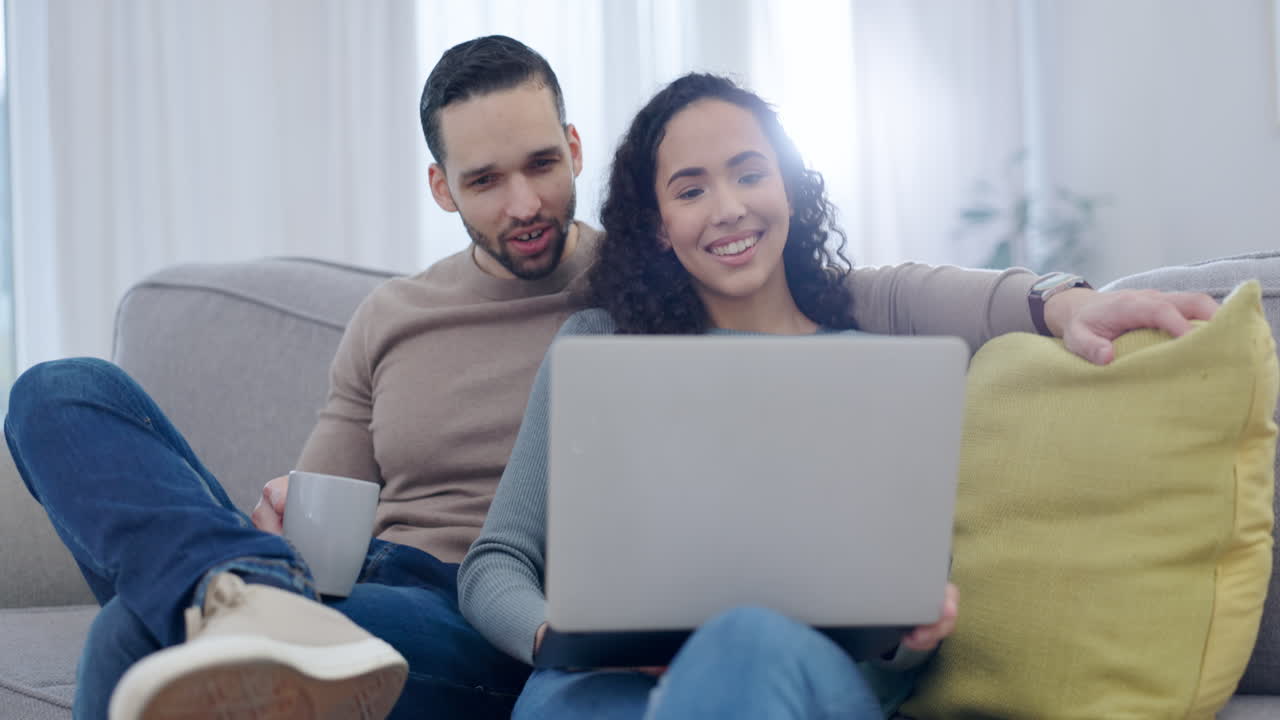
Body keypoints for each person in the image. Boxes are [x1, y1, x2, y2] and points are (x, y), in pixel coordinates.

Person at [3, 34, 1214, 720]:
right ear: (441, 188)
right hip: (382, 599)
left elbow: (890, 290)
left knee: (134, 637)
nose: (523, 202)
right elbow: (340, 509)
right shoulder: (424, 322)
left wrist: (1056, 299)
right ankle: (230, 598)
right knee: (59, 403)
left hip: (562, 634)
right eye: (484, 180)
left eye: (542, 165)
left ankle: (228, 605)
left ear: (582, 156)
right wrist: (269, 544)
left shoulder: (693, 303)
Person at [457, 72, 1220, 719]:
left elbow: (895, 649)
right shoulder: (598, 348)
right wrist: (562, 636)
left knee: (744, 639)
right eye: (691, 190)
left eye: (750, 172)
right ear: (657, 227)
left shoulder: (877, 372)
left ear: (787, 186)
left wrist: (904, 637)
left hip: (794, 686)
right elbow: (495, 564)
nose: (728, 207)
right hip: (602, 691)